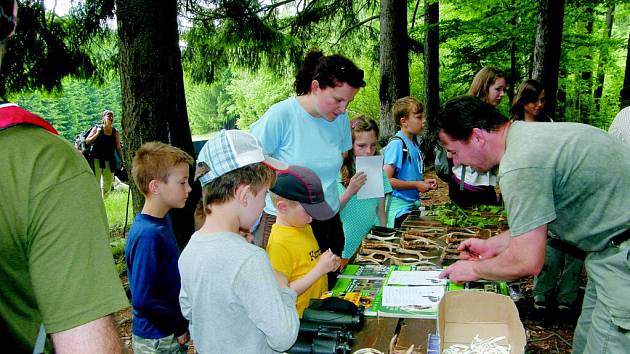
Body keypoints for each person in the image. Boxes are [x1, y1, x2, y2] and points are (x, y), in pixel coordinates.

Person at [436, 95, 630, 353]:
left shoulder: (520, 164)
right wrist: (493, 245)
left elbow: (527, 261)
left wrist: (473, 271)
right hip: (609, 251)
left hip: (621, 259)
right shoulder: (527, 138)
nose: (455, 162)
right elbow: (541, 220)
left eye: (453, 151)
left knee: (608, 344)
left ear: (477, 137)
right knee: (587, 340)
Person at [0, 1, 129, 352]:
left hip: (104, 163)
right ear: (10, 14)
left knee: (105, 184)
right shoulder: (41, 163)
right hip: (92, 166)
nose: (106, 121)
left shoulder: (110, 131)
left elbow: (115, 143)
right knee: (102, 187)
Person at [178, 130, 299, 353]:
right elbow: (284, 337)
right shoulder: (250, 259)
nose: (264, 205)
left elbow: (188, 310)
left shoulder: (190, 250)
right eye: (263, 195)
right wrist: (283, 289)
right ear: (244, 195)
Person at [511, 79, 584, 317]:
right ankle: (541, 295)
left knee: (567, 242)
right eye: (534, 100)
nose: (539, 105)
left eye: (543, 100)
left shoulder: (550, 124)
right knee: (543, 243)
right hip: (528, 190)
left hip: (556, 189)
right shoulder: (514, 127)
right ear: (523, 101)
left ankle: (566, 298)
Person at [124, 142, 193, 353]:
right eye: (182, 182)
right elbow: (143, 299)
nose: (189, 188)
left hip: (167, 332)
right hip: (157, 339)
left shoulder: (163, 221)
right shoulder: (148, 235)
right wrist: (178, 326)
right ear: (155, 187)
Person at [267, 165, 342, 317]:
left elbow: (307, 265)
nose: (312, 217)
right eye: (308, 211)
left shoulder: (304, 225)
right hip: (300, 320)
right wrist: (319, 270)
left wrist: (328, 265)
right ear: (283, 207)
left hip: (316, 309)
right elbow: (282, 293)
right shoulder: (278, 243)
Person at [448, 66, 505, 208]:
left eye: (504, 90)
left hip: (487, 186)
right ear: (485, 87)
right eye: (498, 89)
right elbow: (450, 153)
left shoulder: (495, 117)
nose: (502, 94)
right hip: (465, 186)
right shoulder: (463, 113)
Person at [338, 116, 392, 259]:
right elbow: (330, 212)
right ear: (350, 145)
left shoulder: (377, 170)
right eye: (361, 146)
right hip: (344, 247)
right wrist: (350, 191)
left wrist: (384, 235)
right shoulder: (336, 172)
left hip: (371, 244)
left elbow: (381, 210)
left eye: (373, 145)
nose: (368, 151)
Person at [382, 96, 437, 228]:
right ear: (404, 121)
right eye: (418, 117)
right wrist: (416, 185)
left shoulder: (413, 144)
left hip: (411, 207)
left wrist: (422, 183)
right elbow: (386, 180)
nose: (423, 121)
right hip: (398, 211)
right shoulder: (397, 144)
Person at [85, 109, 124, 198]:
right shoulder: (97, 128)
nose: (111, 118)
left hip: (110, 161)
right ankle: (95, 201)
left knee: (107, 184)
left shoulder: (115, 132)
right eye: (109, 115)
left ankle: (104, 201)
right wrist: (97, 134)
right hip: (96, 159)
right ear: (103, 118)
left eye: (112, 116)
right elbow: (87, 141)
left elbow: (118, 148)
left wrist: (122, 160)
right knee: (96, 182)